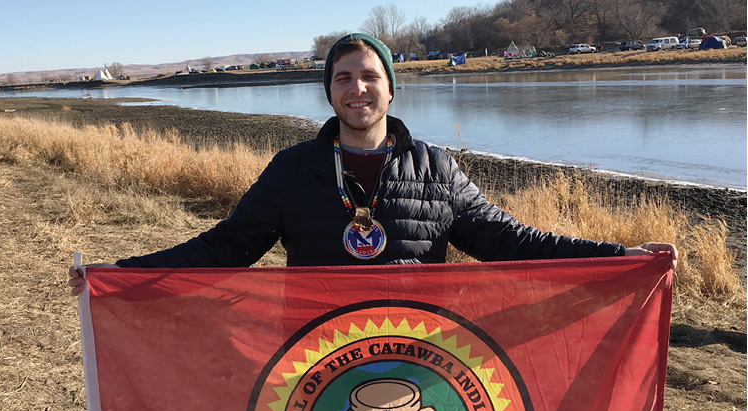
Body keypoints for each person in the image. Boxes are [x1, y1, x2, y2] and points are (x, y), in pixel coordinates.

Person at [68, 33, 677, 296]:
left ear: (392, 89)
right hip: (318, 351)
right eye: (342, 79)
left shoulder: (437, 170)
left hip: (422, 350)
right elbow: (227, 247)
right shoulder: (292, 170)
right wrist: (120, 274)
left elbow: (509, 241)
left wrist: (617, 257)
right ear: (329, 93)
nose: (357, 89)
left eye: (369, 77)